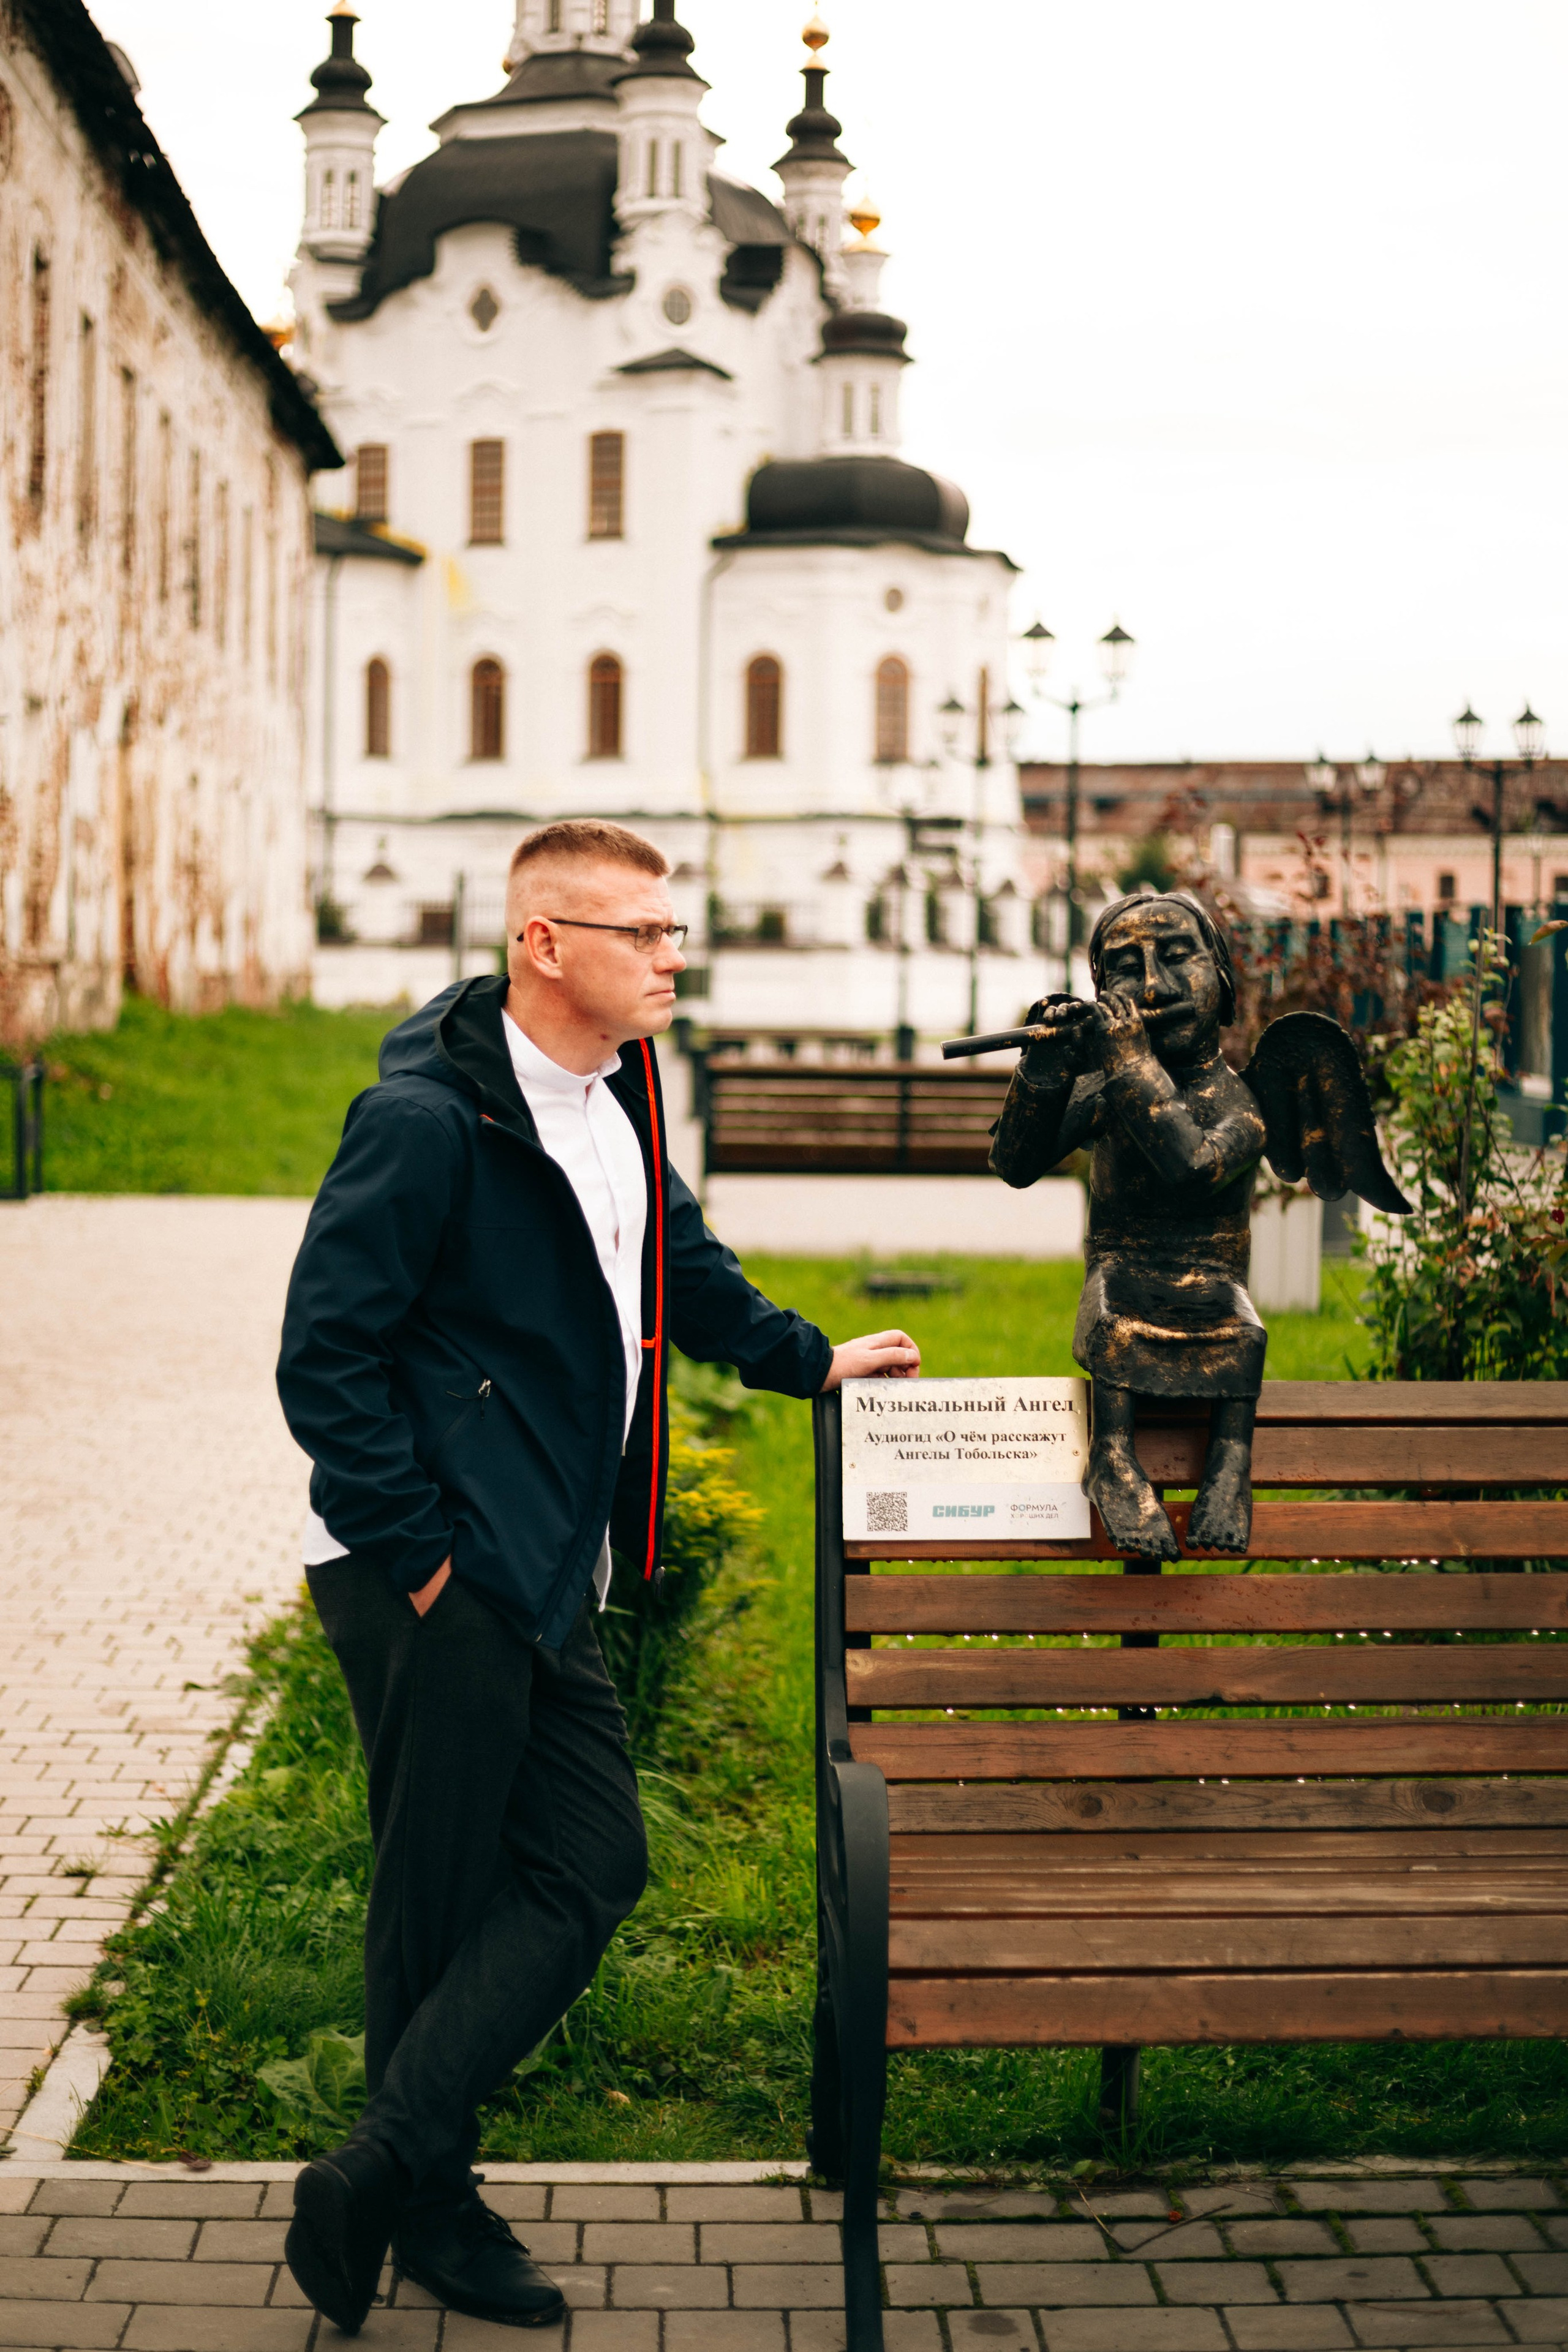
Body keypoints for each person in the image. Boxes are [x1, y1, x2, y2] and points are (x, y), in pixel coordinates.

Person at [275, 818, 919, 2335]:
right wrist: (420, 1555)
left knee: (590, 1860)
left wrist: (805, 1358)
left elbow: (673, 1265)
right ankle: (423, 2203)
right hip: (434, 1573)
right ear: (542, 946)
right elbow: (326, 1356)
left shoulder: (619, 1090)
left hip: (545, 1558)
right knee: (433, 1901)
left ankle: (377, 2168)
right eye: (641, 934)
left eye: (673, 931)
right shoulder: (429, 1123)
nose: (671, 958)